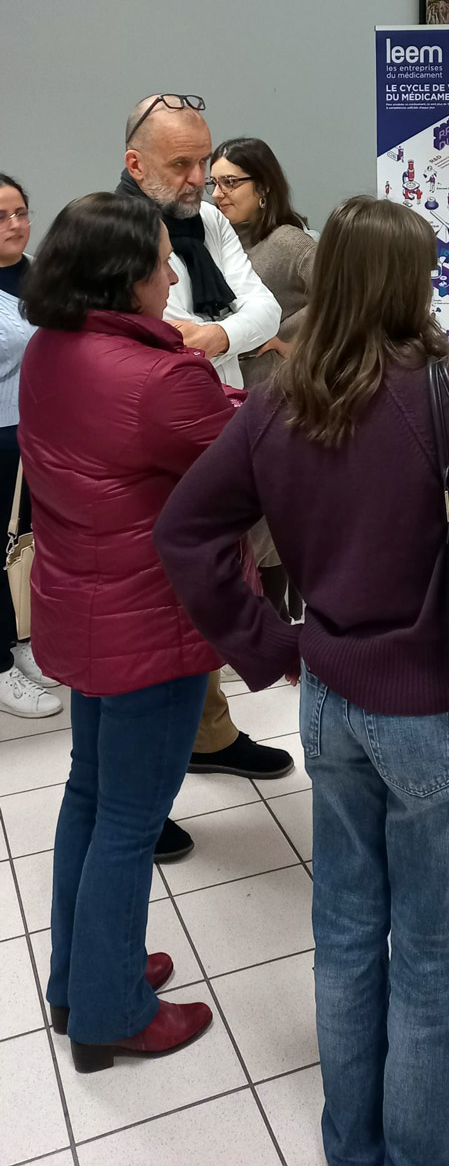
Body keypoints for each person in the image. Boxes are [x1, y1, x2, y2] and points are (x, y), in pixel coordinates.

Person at [154, 196, 449, 1165]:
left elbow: (186, 530)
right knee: (443, 955)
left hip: (329, 702)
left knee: (347, 931)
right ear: (412, 283)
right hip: (434, 711)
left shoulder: (279, 400)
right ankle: (434, 1150)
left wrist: (269, 646)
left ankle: (356, 1143)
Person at [17, 192, 242, 1070]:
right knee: (130, 821)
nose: (172, 274)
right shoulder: (159, 378)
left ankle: (80, 977)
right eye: (159, 261)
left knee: (90, 794)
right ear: (123, 276)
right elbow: (244, 462)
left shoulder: (51, 346)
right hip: (150, 621)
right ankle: (111, 1013)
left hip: (83, 609)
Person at [117, 94, 293, 861]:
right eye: (182, 164)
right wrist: (204, 342)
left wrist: (215, 336)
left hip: (209, 427)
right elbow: (129, 341)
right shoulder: (109, 231)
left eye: (205, 160)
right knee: (144, 625)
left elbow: (264, 309)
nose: (201, 179)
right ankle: (133, 798)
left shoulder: (208, 221)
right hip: (144, 445)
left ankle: (209, 736)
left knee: (204, 595)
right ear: (135, 164)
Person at [209, 138, 315, 616]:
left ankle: (275, 623)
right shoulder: (220, 241)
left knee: (267, 519)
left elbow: (346, 298)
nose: (219, 193)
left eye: (231, 182)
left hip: (277, 400)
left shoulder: (289, 242)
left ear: (265, 187)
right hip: (230, 397)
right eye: (213, 183)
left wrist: (287, 342)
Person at [0, 174, 62, 718]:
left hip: (43, 432)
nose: (15, 225)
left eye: (20, 212)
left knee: (26, 544)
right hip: (1, 433)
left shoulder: (39, 272)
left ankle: (20, 643)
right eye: (0, 217)